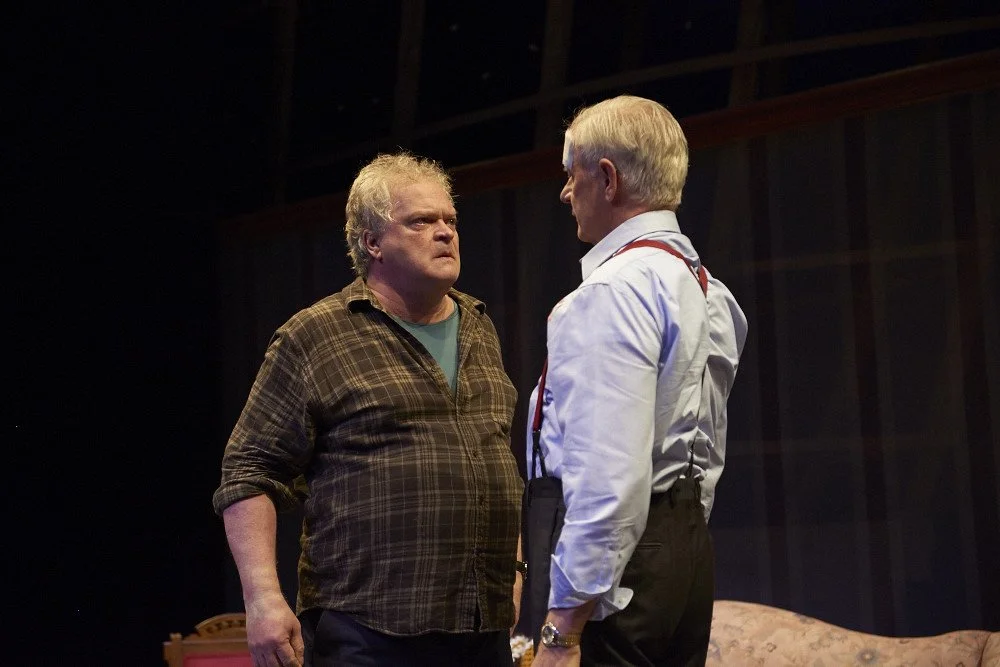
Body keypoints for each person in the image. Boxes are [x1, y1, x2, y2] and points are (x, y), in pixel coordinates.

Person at [213, 152, 524, 667]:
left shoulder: (478, 325)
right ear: (372, 242)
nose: (444, 232)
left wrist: (513, 573)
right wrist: (262, 598)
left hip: (481, 627)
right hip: (368, 630)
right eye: (421, 221)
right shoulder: (316, 335)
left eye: (450, 220)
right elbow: (249, 471)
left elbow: (495, 461)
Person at [523, 96, 748, 666]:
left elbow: (608, 473)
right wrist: (672, 546)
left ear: (607, 179)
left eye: (571, 174)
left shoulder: (612, 291)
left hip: (621, 576)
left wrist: (563, 629)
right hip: (682, 554)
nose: (565, 193)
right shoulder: (709, 290)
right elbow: (705, 453)